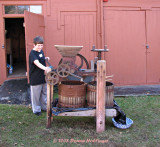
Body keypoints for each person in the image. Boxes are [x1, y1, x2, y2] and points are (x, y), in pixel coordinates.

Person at [29, 36, 51, 116]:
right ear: (34, 45)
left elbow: (41, 58)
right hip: (35, 78)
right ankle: (36, 110)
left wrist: (45, 58)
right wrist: (46, 68)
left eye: (41, 45)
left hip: (43, 76)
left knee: (44, 93)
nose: (40, 47)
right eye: (38, 45)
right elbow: (37, 63)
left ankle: (44, 107)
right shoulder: (32, 54)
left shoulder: (41, 51)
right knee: (36, 95)